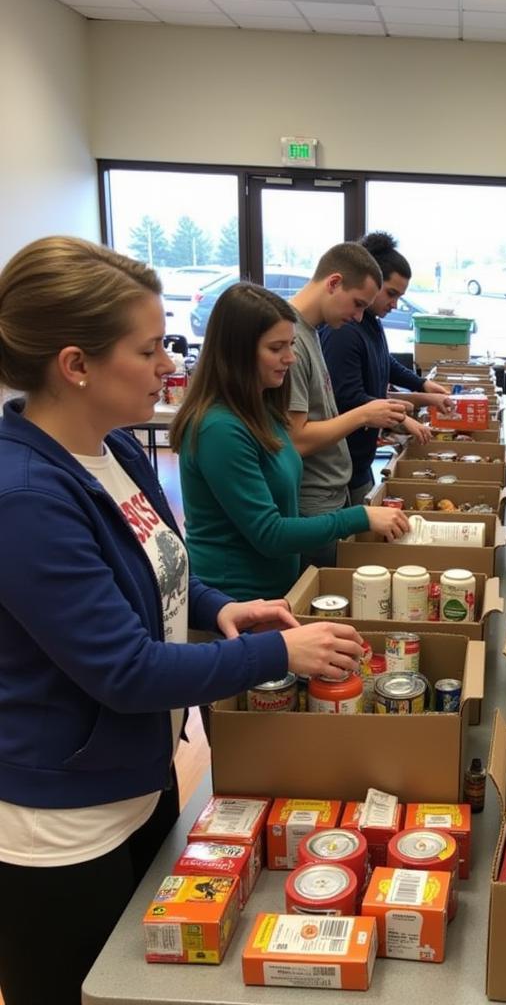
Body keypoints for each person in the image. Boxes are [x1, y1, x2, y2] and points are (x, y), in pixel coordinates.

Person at [0, 237, 369, 1005]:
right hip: (65, 824)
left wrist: (220, 607)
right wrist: (278, 651)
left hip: (139, 775)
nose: (171, 364)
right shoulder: (27, 495)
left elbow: (164, 568)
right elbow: (126, 670)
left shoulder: (117, 451)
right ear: (76, 365)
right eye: (150, 348)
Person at [170, 281, 409, 600]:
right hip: (237, 599)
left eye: (291, 345)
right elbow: (269, 533)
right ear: (237, 352)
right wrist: (360, 516)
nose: (290, 358)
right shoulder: (218, 428)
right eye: (275, 348)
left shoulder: (263, 409)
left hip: (276, 589)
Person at [288, 242, 409, 564]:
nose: (358, 317)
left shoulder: (313, 332)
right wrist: (365, 414)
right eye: (356, 304)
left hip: (332, 491)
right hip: (312, 499)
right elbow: (297, 439)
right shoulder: (292, 341)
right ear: (333, 282)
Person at [320, 232, 453, 505]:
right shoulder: (345, 329)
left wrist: (422, 385)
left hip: (360, 458)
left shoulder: (370, 321)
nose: (394, 304)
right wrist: (403, 419)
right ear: (371, 280)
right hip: (342, 464)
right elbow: (348, 397)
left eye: (399, 297)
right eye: (391, 294)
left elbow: (384, 362)